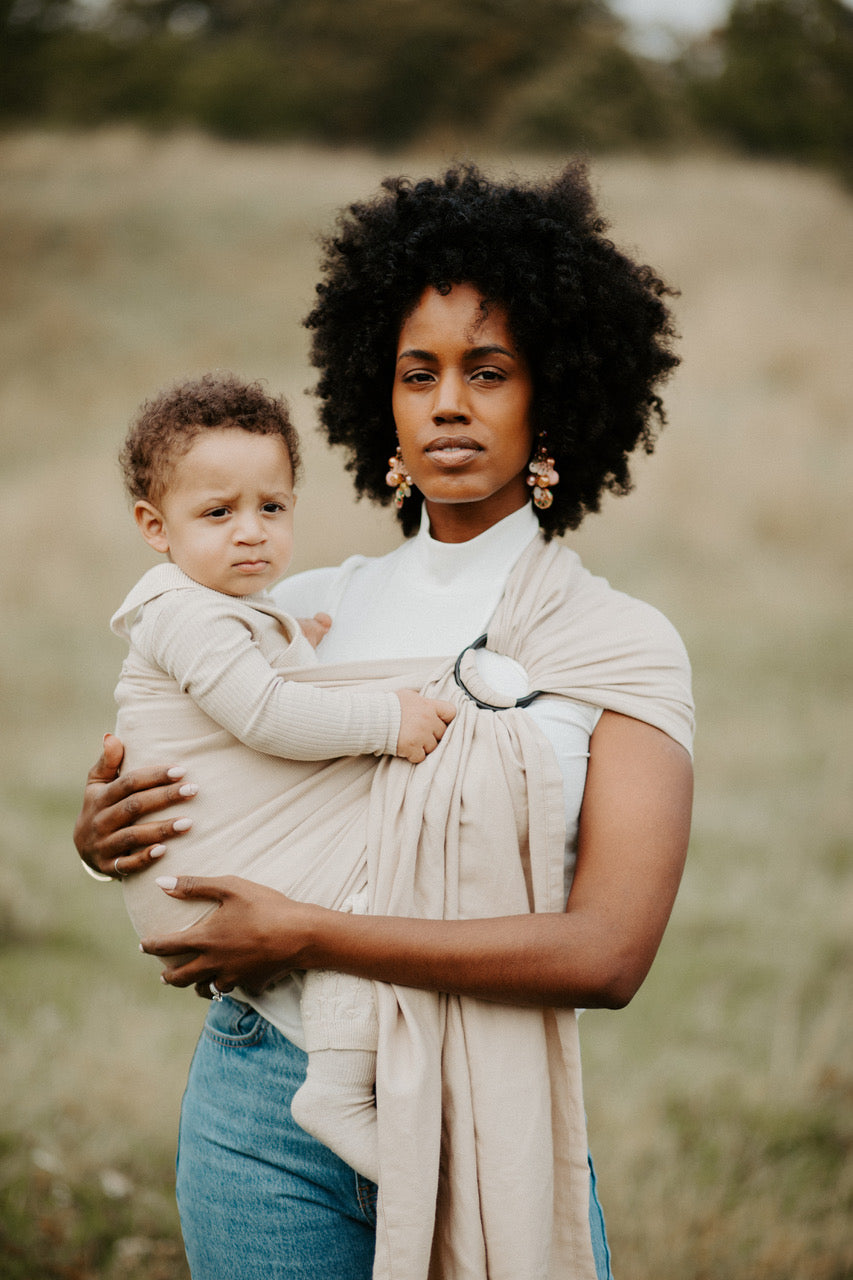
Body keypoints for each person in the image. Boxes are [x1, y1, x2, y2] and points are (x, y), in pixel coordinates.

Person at [74, 162, 694, 1280]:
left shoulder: (617, 644)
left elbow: (608, 954)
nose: (449, 400)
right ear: (381, 399)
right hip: (261, 1104)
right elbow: (201, 777)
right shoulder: (297, 611)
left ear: (555, 393)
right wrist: (107, 834)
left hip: (489, 1102)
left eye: (489, 370)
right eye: (418, 373)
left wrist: (310, 932)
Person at [108, 370, 455, 1183]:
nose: (251, 533)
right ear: (154, 527)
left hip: (203, 853)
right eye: (217, 513)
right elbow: (264, 714)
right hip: (197, 869)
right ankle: (335, 1091)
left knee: (356, 907)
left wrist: (290, 633)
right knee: (364, 901)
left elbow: (252, 665)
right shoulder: (182, 616)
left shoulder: (226, 609)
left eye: (272, 507)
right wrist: (388, 721)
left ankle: (339, 1082)